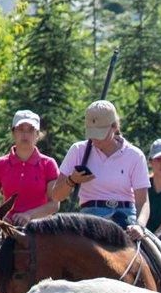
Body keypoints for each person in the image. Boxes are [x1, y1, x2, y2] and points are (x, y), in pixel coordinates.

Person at [49, 100, 151, 241]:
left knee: (156, 252)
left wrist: (139, 226)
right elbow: (56, 196)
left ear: (114, 126)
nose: (95, 138)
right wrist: (71, 180)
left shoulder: (135, 155)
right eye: (92, 132)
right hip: (89, 220)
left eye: (100, 133)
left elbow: (143, 202)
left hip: (127, 221)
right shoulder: (78, 150)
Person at [0, 109, 60, 225]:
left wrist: (29, 215)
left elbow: (54, 204)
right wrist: (1, 218)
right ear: (13, 133)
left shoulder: (48, 164)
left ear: (37, 135)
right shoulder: (0, 164)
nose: (25, 135)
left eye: (30, 130)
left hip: (41, 228)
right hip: (9, 227)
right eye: (20, 129)